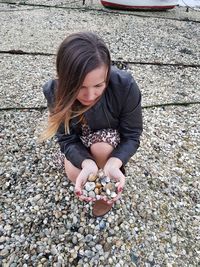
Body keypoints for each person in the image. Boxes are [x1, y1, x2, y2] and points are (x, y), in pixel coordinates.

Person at [41, 32, 143, 216]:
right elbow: (66, 139)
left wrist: (114, 162)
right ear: (64, 79)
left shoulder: (125, 86)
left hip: (110, 140)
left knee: (102, 149)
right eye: (79, 87)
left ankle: (106, 193)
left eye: (98, 86)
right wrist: (86, 163)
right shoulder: (54, 91)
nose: (89, 96)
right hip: (78, 142)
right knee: (76, 174)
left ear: (107, 74)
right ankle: (96, 176)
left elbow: (132, 135)